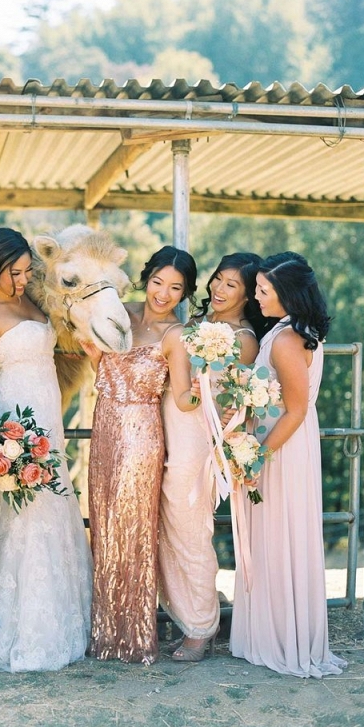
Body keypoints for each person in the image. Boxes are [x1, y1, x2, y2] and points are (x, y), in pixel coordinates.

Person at [0, 227, 92, 673]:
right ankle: (21, 629)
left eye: (24, 271)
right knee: (23, 518)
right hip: (14, 422)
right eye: (12, 273)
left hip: (49, 418)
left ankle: (62, 623)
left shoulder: (33, 302)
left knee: (54, 507)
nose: (21, 280)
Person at [229, 251, 347, 678]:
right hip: (280, 441)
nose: (256, 296)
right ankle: (274, 632)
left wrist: (259, 455)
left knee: (280, 534)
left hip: (282, 446)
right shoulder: (290, 331)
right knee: (275, 535)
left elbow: (295, 409)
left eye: (263, 290)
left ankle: (282, 638)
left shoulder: (286, 339)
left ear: (288, 294)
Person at [83, 246, 199, 664]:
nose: (163, 294)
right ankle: (105, 632)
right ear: (145, 277)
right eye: (157, 282)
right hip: (105, 427)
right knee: (104, 524)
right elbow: (96, 358)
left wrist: (205, 396)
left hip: (142, 435)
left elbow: (183, 396)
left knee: (133, 529)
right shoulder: (118, 313)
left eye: (175, 288)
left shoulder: (176, 335)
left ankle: (132, 637)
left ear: (184, 293)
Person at [159, 252, 263, 661]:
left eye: (231, 284)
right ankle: (188, 619)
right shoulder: (199, 326)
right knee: (171, 531)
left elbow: (237, 400)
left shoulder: (244, 339)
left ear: (248, 294)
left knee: (191, 533)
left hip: (197, 443)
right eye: (218, 279)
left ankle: (202, 628)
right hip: (170, 433)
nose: (219, 289)